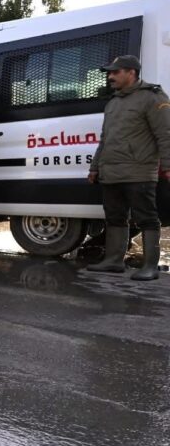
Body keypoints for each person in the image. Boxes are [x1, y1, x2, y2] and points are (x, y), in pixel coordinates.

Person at [87, 55, 170, 281]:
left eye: (115, 72)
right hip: (111, 172)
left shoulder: (152, 98)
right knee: (114, 216)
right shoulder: (113, 103)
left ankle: (150, 266)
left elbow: (165, 135)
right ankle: (114, 261)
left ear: (131, 72)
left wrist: (168, 165)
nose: (110, 76)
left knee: (146, 218)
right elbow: (105, 139)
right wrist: (95, 167)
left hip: (139, 171)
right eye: (110, 73)